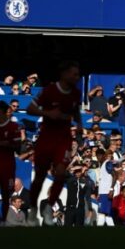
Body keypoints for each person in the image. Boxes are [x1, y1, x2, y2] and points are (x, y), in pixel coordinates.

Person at [27, 60, 82, 226]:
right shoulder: (49, 91)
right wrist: (48, 113)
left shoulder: (76, 93)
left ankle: (49, 208)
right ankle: (33, 210)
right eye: (74, 73)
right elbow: (30, 108)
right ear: (64, 74)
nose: (76, 77)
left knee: (60, 173)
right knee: (40, 177)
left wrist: (79, 125)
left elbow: (76, 111)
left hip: (63, 139)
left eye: (78, 74)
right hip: (46, 138)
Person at [0, 100, 23, 224]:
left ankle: (4, 220)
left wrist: (2, 143)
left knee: (6, 193)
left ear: (1, 111)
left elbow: (18, 147)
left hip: (8, 164)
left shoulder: (14, 127)